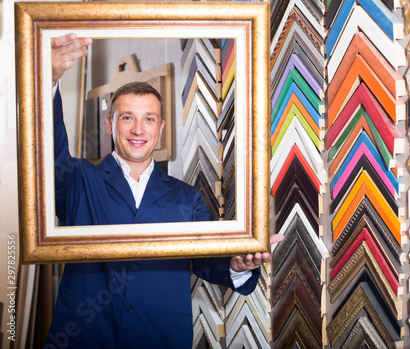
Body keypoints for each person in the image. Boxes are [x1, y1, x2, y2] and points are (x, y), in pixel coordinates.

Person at [45, 33, 282, 349]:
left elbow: (210, 259)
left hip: (159, 339)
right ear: (109, 125)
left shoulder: (187, 198)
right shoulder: (79, 181)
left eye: (149, 119)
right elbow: (47, 152)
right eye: (127, 117)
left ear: (161, 128)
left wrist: (237, 264)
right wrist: (47, 81)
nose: (138, 130)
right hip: (83, 340)